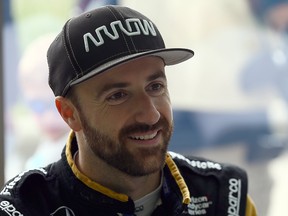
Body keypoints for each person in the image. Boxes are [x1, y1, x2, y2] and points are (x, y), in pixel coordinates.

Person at [0, 5, 257, 216]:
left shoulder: (225, 197)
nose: (151, 114)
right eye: (118, 95)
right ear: (69, 113)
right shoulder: (24, 208)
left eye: (155, 86)